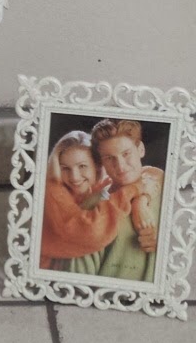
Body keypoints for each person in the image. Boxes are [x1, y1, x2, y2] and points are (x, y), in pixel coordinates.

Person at [40, 130, 145, 273]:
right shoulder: (52, 189)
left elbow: (148, 174)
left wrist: (141, 200)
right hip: (46, 274)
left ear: (97, 165)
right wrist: (132, 190)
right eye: (65, 169)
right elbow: (90, 232)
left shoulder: (99, 182)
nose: (74, 177)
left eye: (82, 166)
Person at [91, 119, 163, 282]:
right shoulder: (94, 205)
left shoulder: (167, 188)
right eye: (110, 158)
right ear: (101, 162)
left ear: (141, 149)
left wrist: (140, 201)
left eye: (126, 154)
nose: (121, 166)